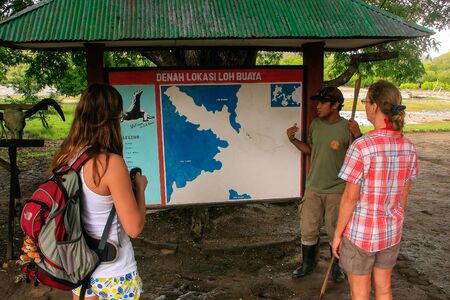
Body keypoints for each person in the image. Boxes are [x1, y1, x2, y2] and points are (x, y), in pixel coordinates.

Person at [48, 84, 148, 300]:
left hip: (79, 267)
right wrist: (140, 188)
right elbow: (134, 227)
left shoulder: (66, 158)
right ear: (116, 117)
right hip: (114, 273)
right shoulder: (110, 163)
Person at [332, 80, 418, 299]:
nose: (365, 105)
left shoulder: (361, 147)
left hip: (361, 233)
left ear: (374, 106)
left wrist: (337, 234)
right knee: (384, 288)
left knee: (359, 293)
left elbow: (350, 198)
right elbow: (404, 195)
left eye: (366, 101)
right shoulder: (408, 146)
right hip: (391, 232)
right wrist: (394, 220)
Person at [287, 86, 361, 282]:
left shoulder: (348, 128)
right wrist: (293, 140)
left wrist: (358, 136)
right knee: (308, 228)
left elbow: (360, 158)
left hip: (337, 190)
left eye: (322, 103)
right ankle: (307, 264)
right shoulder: (315, 125)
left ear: (336, 105)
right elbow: (311, 149)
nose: (317, 106)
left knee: (335, 230)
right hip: (313, 188)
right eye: (317, 102)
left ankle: (336, 267)